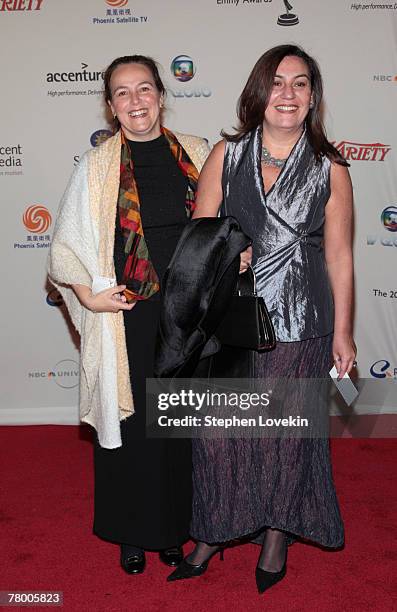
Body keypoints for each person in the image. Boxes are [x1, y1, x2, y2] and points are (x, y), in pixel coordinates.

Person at [168, 44, 356, 593]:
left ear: (312, 97)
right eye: (278, 82)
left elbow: (340, 254)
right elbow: (199, 234)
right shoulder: (227, 155)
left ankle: (276, 535)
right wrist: (231, 246)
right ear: (259, 90)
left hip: (303, 317)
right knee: (220, 435)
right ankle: (212, 532)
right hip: (234, 317)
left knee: (286, 436)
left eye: (300, 84)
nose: (288, 94)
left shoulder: (331, 167)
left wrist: (343, 331)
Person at [48, 55, 211, 574]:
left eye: (144, 89)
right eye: (122, 92)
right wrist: (89, 297)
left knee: (180, 424)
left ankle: (173, 530)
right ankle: (131, 533)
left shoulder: (200, 153)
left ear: (162, 96)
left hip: (190, 312)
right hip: (127, 312)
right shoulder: (96, 166)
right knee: (133, 422)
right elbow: (65, 247)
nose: (135, 101)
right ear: (110, 105)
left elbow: (227, 223)